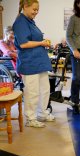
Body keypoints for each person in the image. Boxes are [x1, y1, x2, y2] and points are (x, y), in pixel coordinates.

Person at [13, 0, 54, 128]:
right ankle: (30, 119)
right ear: (25, 7)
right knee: (32, 92)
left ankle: (42, 113)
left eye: (37, 9)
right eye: (34, 9)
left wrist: (43, 42)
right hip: (29, 62)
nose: (36, 12)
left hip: (39, 61)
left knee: (45, 89)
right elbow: (24, 44)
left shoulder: (30, 21)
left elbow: (33, 39)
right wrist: (42, 43)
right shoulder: (20, 22)